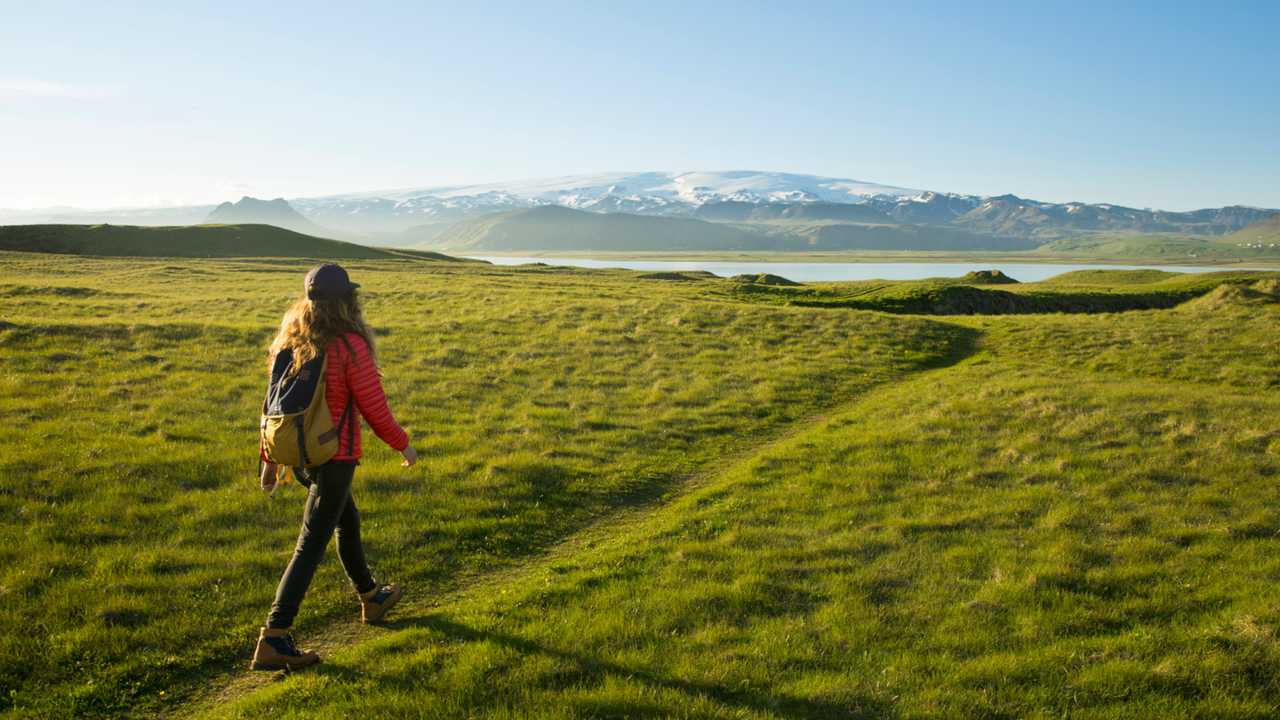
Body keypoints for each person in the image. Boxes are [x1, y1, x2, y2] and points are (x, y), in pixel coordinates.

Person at [251, 263, 418, 672]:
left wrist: (270, 459)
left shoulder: (288, 340)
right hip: (335, 457)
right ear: (348, 300)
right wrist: (404, 445)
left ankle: (371, 598)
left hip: (303, 457)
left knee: (348, 520)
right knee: (310, 544)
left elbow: (275, 406)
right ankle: (274, 637)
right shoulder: (348, 344)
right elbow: (373, 407)